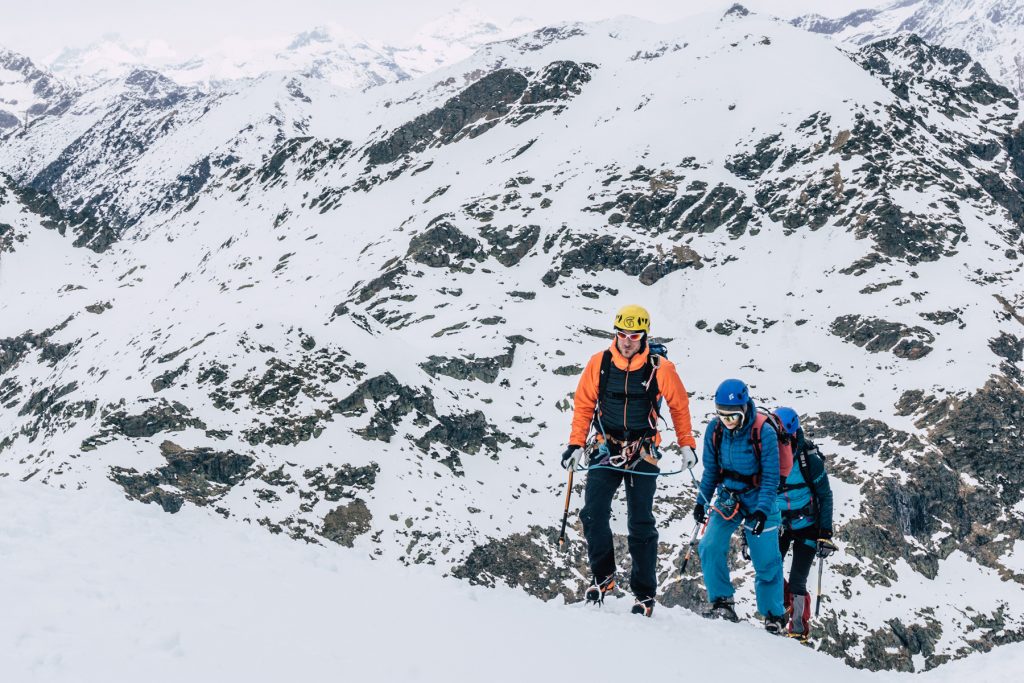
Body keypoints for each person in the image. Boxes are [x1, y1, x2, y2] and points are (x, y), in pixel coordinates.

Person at [560, 304, 698, 617]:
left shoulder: (660, 367)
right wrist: (575, 444)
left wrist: (687, 444)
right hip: (606, 447)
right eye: (621, 334)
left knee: (640, 522)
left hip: (643, 450)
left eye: (633, 336)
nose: (626, 341)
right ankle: (603, 575)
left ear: (643, 335)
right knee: (593, 513)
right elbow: (584, 405)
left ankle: (644, 593)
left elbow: (679, 406)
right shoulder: (600, 363)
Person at [695, 379, 787, 632]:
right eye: (722, 415)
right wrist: (701, 502)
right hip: (728, 497)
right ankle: (722, 601)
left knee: (766, 560)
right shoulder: (715, 431)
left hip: (759, 497)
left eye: (733, 416)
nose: (727, 421)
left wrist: (761, 511)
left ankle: (773, 616)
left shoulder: (764, 432)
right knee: (709, 546)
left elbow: (770, 478)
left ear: (745, 409)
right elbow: (711, 471)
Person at [774, 407, 836, 639]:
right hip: (779, 524)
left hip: (808, 526)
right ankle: (777, 614)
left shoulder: (808, 459)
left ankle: (798, 631)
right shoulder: (768, 454)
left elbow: (825, 495)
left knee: (798, 581)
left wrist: (825, 533)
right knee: (770, 570)